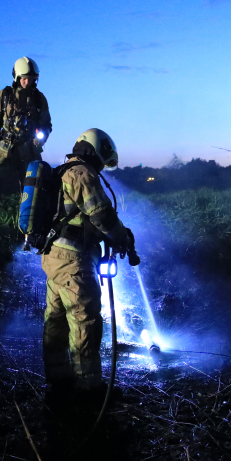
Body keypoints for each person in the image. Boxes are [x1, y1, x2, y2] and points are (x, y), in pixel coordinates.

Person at [40, 129, 133, 394]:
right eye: (103, 160)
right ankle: (89, 388)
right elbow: (101, 214)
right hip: (74, 261)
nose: (102, 166)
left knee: (55, 320)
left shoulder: (63, 170)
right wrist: (122, 238)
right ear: (96, 149)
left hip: (54, 256)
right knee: (84, 322)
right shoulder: (82, 174)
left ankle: (58, 379)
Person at [0, 57, 52, 223]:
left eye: (31, 79)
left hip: (30, 151)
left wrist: (41, 139)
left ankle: (30, 228)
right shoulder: (3, 96)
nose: (28, 82)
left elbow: (47, 125)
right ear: (17, 77)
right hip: (5, 150)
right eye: (24, 78)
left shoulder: (40, 99)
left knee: (34, 191)